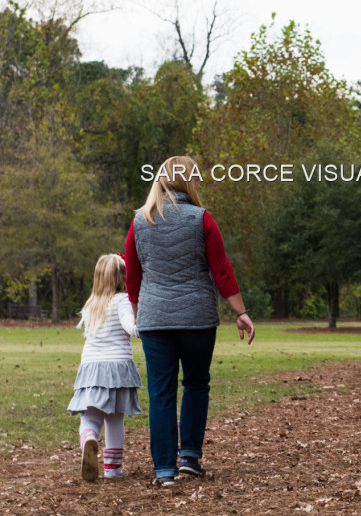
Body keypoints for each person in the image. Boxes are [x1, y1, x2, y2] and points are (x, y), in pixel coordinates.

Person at [124, 155, 255, 485]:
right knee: (196, 383)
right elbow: (221, 269)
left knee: (161, 393)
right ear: (188, 181)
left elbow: (133, 274)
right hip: (197, 318)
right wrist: (240, 312)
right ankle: (190, 459)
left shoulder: (140, 221)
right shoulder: (202, 219)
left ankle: (164, 471)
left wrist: (140, 314)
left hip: (155, 320)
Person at [67, 254, 143, 481]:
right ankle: (112, 469)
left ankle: (89, 438)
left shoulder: (91, 303)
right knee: (115, 418)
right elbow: (131, 328)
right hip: (117, 368)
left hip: (91, 367)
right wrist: (147, 322)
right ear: (122, 277)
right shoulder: (122, 301)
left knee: (89, 416)